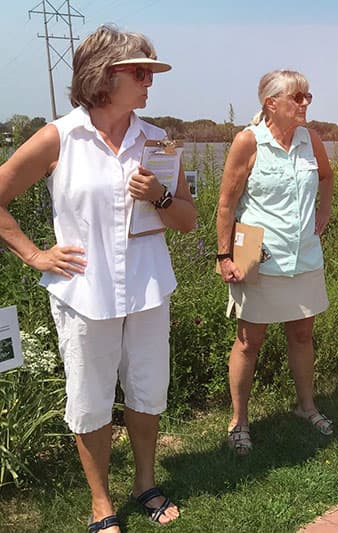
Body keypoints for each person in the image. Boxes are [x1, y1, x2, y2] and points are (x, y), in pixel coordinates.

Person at [0, 25, 195, 532]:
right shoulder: (59, 137)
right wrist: (34, 255)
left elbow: (187, 220)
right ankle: (101, 503)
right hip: (84, 292)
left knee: (149, 390)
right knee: (88, 399)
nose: (149, 82)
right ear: (103, 75)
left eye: (151, 73)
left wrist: (161, 196)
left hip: (150, 287)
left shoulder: (159, 141)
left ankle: (145, 482)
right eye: (140, 72)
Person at [216, 69, 333, 455]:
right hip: (256, 252)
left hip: (304, 254)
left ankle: (306, 406)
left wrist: (325, 211)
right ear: (271, 103)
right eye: (297, 97)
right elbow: (226, 204)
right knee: (250, 341)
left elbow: (327, 178)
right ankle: (239, 421)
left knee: (302, 334)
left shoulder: (310, 139)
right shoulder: (248, 142)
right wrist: (224, 254)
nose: (305, 103)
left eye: (307, 96)